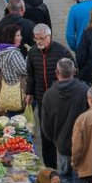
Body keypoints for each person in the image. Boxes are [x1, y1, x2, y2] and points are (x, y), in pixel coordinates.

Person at [42, 58, 90, 183]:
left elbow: (45, 125)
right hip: (82, 147)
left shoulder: (49, 95)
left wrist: (54, 139)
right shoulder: (84, 91)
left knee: (65, 180)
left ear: (57, 72)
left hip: (61, 146)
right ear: (74, 71)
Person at [25, 23, 72, 167]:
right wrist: (29, 92)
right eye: (36, 38)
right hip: (42, 99)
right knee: (45, 134)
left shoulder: (61, 51)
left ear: (49, 36)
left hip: (60, 99)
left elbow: (73, 72)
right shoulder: (32, 52)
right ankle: (50, 167)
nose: (39, 41)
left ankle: (67, 163)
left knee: (63, 132)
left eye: (42, 38)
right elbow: (30, 75)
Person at [0, 25, 27, 116]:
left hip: (5, 91)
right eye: (18, 35)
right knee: (19, 117)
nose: (21, 38)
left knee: (11, 116)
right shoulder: (13, 53)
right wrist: (29, 60)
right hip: (18, 91)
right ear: (10, 37)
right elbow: (25, 70)